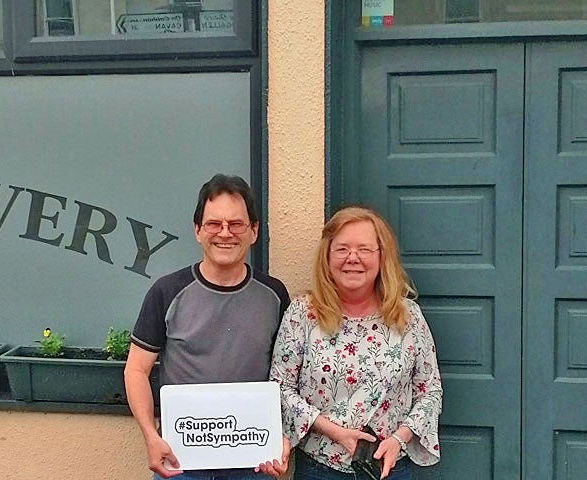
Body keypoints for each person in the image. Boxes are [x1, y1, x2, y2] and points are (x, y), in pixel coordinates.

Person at [124, 174, 292, 479]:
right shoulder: (166, 292)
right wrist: (151, 436)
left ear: (254, 231)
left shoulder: (275, 295)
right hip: (181, 464)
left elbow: (289, 377)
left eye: (236, 224)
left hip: (253, 463)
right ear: (198, 230)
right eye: (214, 224)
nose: (225, 233)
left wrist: (282, 436)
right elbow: (136, 370)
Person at [269, 206, 442, 480]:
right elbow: (280, 388)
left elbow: (430, 391)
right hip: (321, 468)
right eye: (342, 249)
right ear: (327, 256)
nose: (353, 258)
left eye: (364, 249)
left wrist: (398, 439)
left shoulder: (407, 316)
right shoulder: (303, 314)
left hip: (390, 469)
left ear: (381, 257)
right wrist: (335, 431)